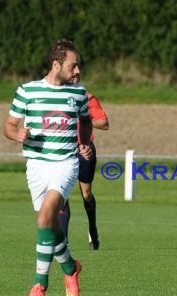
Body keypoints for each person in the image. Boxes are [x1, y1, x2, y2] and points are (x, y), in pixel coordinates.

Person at [3, 39, 92, 296]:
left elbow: (86, 121)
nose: (77, 71)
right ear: (57, 64)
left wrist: (83, 143)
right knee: (49, 227)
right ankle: (70, 267)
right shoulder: (27, 91)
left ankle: (39, 284)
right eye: (73, 66)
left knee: (45, 216)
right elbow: (9, 125)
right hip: (36, 166)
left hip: (65, 163)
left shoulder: (78, 94)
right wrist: (16, 134)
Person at [59, 73, 110, 250]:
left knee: (86, 194)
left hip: (85, 150)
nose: (74, 77)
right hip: (64, 150)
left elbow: (104, 123)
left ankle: (92, 229)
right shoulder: (57, 97)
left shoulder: (87, 97)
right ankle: (64, 240)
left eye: (77, 76)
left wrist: (82, 117)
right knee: (61, 193)